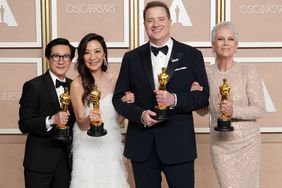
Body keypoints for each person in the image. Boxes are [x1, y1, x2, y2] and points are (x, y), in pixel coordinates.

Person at [112, 1, 209, 187]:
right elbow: (119, 99)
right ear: (144, 25)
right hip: (142, 144)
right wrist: (140, 114)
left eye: (161, 19)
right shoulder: (131, 58)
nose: (156, 24)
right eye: (150, 20)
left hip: (179, 145)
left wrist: (175, 99)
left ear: (171, 21)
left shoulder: (192, 55)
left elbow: (203, 96)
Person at [192, 21, 265, 188]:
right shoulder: (207, 73)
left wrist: (234, 110)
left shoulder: (248, 71)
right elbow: (203, 111)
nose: (226, 43)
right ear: (213, 44)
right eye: (220, 39)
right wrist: (195, 96)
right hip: (220, 144)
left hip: (248, 144)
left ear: (236, 45)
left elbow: (259, 110)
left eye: (230, 39)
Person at [69, 33, 133, 188]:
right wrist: (90, 119)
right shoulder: (77, 84)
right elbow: (82, 124)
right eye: (87, 52)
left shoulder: (116, 81)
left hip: (111, 143)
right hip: (86, 146)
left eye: (97, 51)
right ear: (82, 56)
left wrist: (128, 105)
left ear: (104, 53)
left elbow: (117, 120)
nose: (92, 57)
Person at [19, 38, 76, 188]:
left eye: (66, 57)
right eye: (56, 56)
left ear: (71, 60)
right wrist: (51, 120)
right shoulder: (33, 86)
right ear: (47, 59)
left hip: (67, 163)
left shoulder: (75, 86)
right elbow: (24, 124)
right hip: (39, 163)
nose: (61, 61)